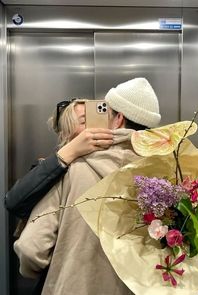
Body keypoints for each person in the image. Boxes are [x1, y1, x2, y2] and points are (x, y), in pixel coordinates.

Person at [14, 77, 161, 295]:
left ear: (118, 119)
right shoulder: (163, 176)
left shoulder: (73, 170)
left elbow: (31, 248)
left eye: (105, 112)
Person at [4, 99, 114, 219]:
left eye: (98, 118)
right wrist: (68, 153)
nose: (94, 126)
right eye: (84, 121)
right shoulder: (52, 168)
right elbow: (13, 203)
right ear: (67, 132)